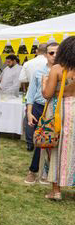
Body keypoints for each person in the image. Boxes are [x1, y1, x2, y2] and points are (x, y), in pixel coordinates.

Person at [40, 36, 75, 200]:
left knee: (55, 147)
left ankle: (56, 190)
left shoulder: (57, 69)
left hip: (59, 111)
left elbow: (47, 94)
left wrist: (43, 85)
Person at [24, 42, 59, 184]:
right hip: (39, 107)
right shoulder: (39, 72)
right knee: (41, 140)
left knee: (55, 142)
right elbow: (31, 92)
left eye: (57, 52)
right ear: (46, 55)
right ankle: (33, 171)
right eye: (51, 53)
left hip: (56, 108)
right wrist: (29, 112)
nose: (54, 56)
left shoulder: (64, 71)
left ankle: (47, 173)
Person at [22, 43, 50, 150]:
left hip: (40, 101)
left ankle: (30, 143)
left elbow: (22, 79)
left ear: (37, 51)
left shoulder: (29, 63)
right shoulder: (40, 70)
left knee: (32, 123)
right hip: (40, 100)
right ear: (46, 53)